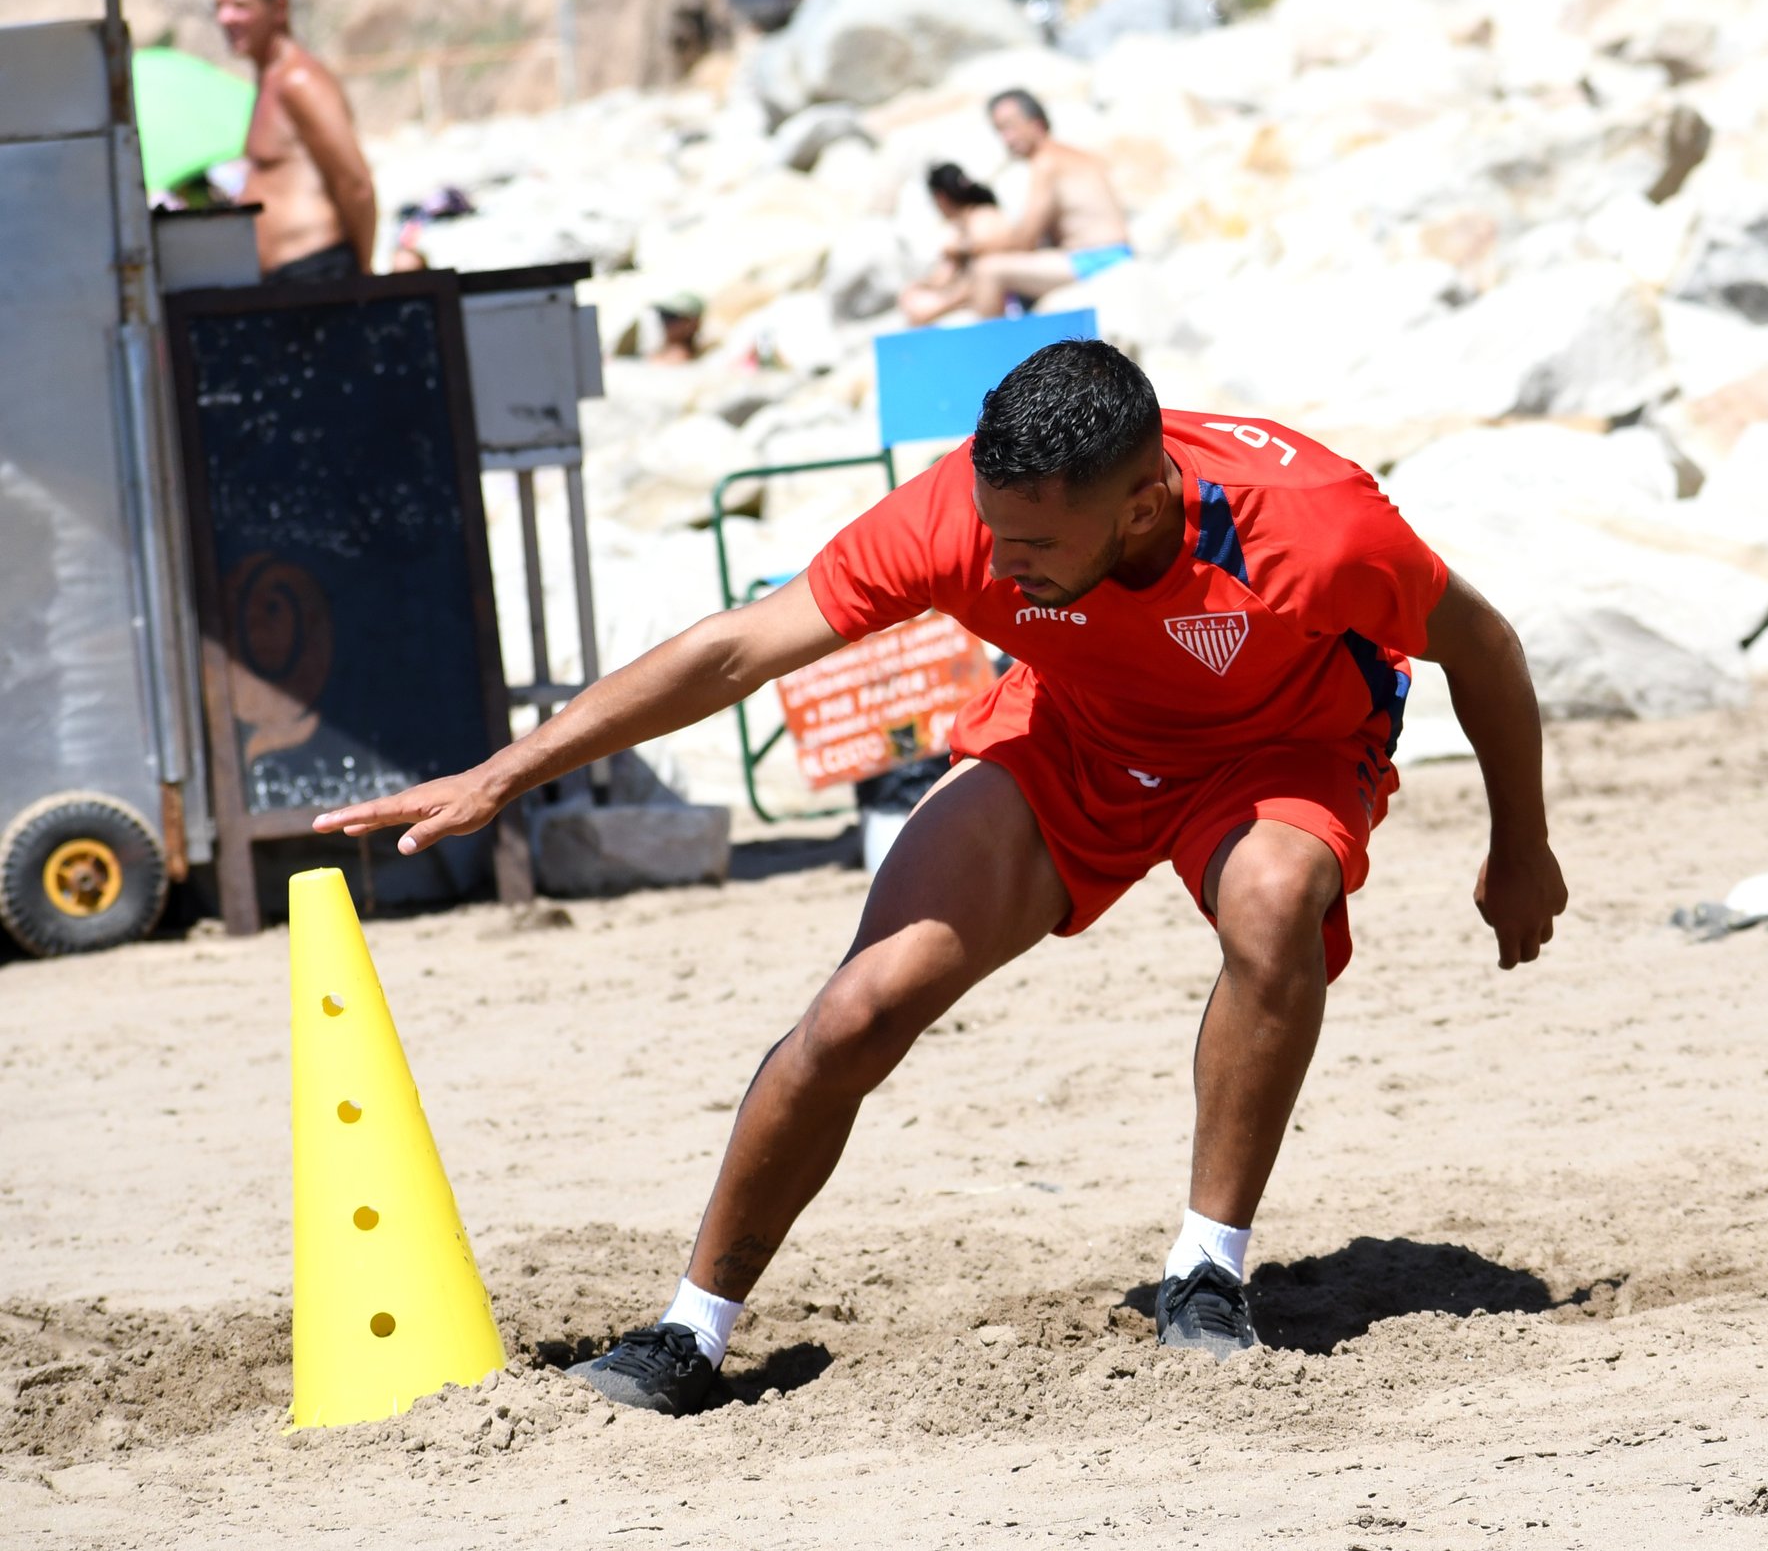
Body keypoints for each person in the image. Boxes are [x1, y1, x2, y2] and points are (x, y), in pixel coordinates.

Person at [313, 341, 1568, 1416]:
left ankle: (1206, 1272)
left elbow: (1485, 649)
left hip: (1279, 746)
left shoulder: (1311, 528)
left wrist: (1518, 847)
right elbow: (739, 649)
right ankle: (689, 1330)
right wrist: (505, 772)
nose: (999, 563)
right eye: (993, 529)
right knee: (860, 1008)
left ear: (1141, 510)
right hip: (1075, 737)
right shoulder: (964, 517)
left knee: (1273, 901)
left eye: (1035, 545)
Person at [215, 0, 375, 282]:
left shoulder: (299, 80)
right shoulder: (270, 79)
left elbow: (355, 184)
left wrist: (362, 274)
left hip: (318, 272)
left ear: (279, 8)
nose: (225, 18)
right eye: (219, 7)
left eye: (240, 6)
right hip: (287, 279)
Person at [959, 89, 1133, 318]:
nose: (1006, 139)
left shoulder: (1046, 162)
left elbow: (1026, 240)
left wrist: (973, 248)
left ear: (1036, 122)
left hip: (1095, 259)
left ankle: (988, 341)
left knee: (987, 271)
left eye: (1009, 127)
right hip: (1113, 253)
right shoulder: (1073, 155)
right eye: (999, 131)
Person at [899, 163, 1010, 326]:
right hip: (966, 293)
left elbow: (994, 250)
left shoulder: (982, 216)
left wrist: (957, 250)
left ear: (941, 198)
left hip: (988, 296)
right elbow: (942, 278)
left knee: (921, 308)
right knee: (913, 299)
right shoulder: (964, 225)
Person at [650, 291, 706, 363]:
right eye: (663, 316)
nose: (665, 324)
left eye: (670, 317)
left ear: (692, 324)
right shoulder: (658, 352)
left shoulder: (676, 361)